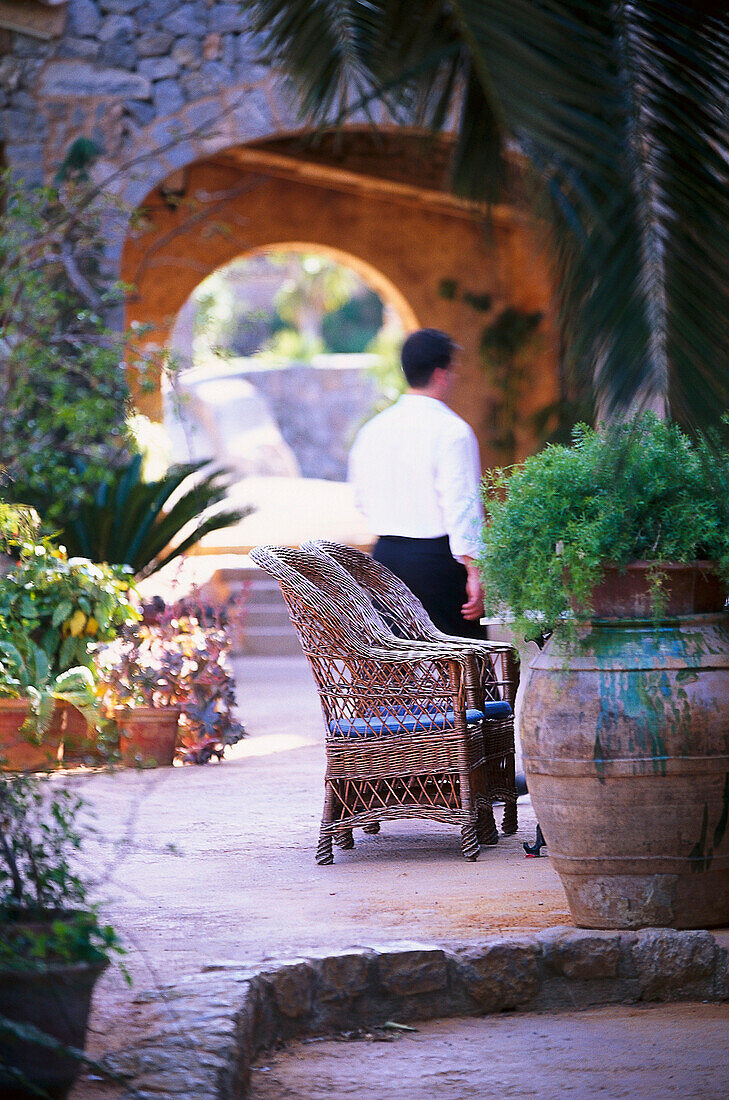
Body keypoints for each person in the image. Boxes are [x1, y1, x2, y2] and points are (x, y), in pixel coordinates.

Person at [348, 327, 487, 638]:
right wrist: (475, 570)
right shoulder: (452, 431)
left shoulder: (373, 430)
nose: (455, 378)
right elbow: (461, 505)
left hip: (384, 561)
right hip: (437, 565)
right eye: (454, 370)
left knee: (402, 669)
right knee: (466, 669)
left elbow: (359, 498)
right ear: (441, 374)